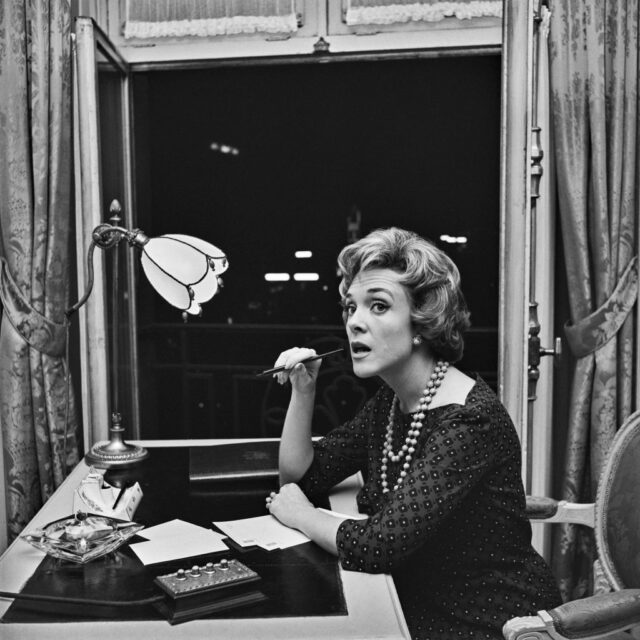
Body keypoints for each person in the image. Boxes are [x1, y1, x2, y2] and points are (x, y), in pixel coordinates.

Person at [265, 227, 561, 639]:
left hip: (489, 620)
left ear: (423, 321)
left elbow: (378, 546)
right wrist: (304, 390)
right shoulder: (391, 403)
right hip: (411, 599)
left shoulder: (469, 420)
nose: (355, 323)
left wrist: (301, 515)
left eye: (378, 307)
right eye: (351, 307)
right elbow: (302, 478)